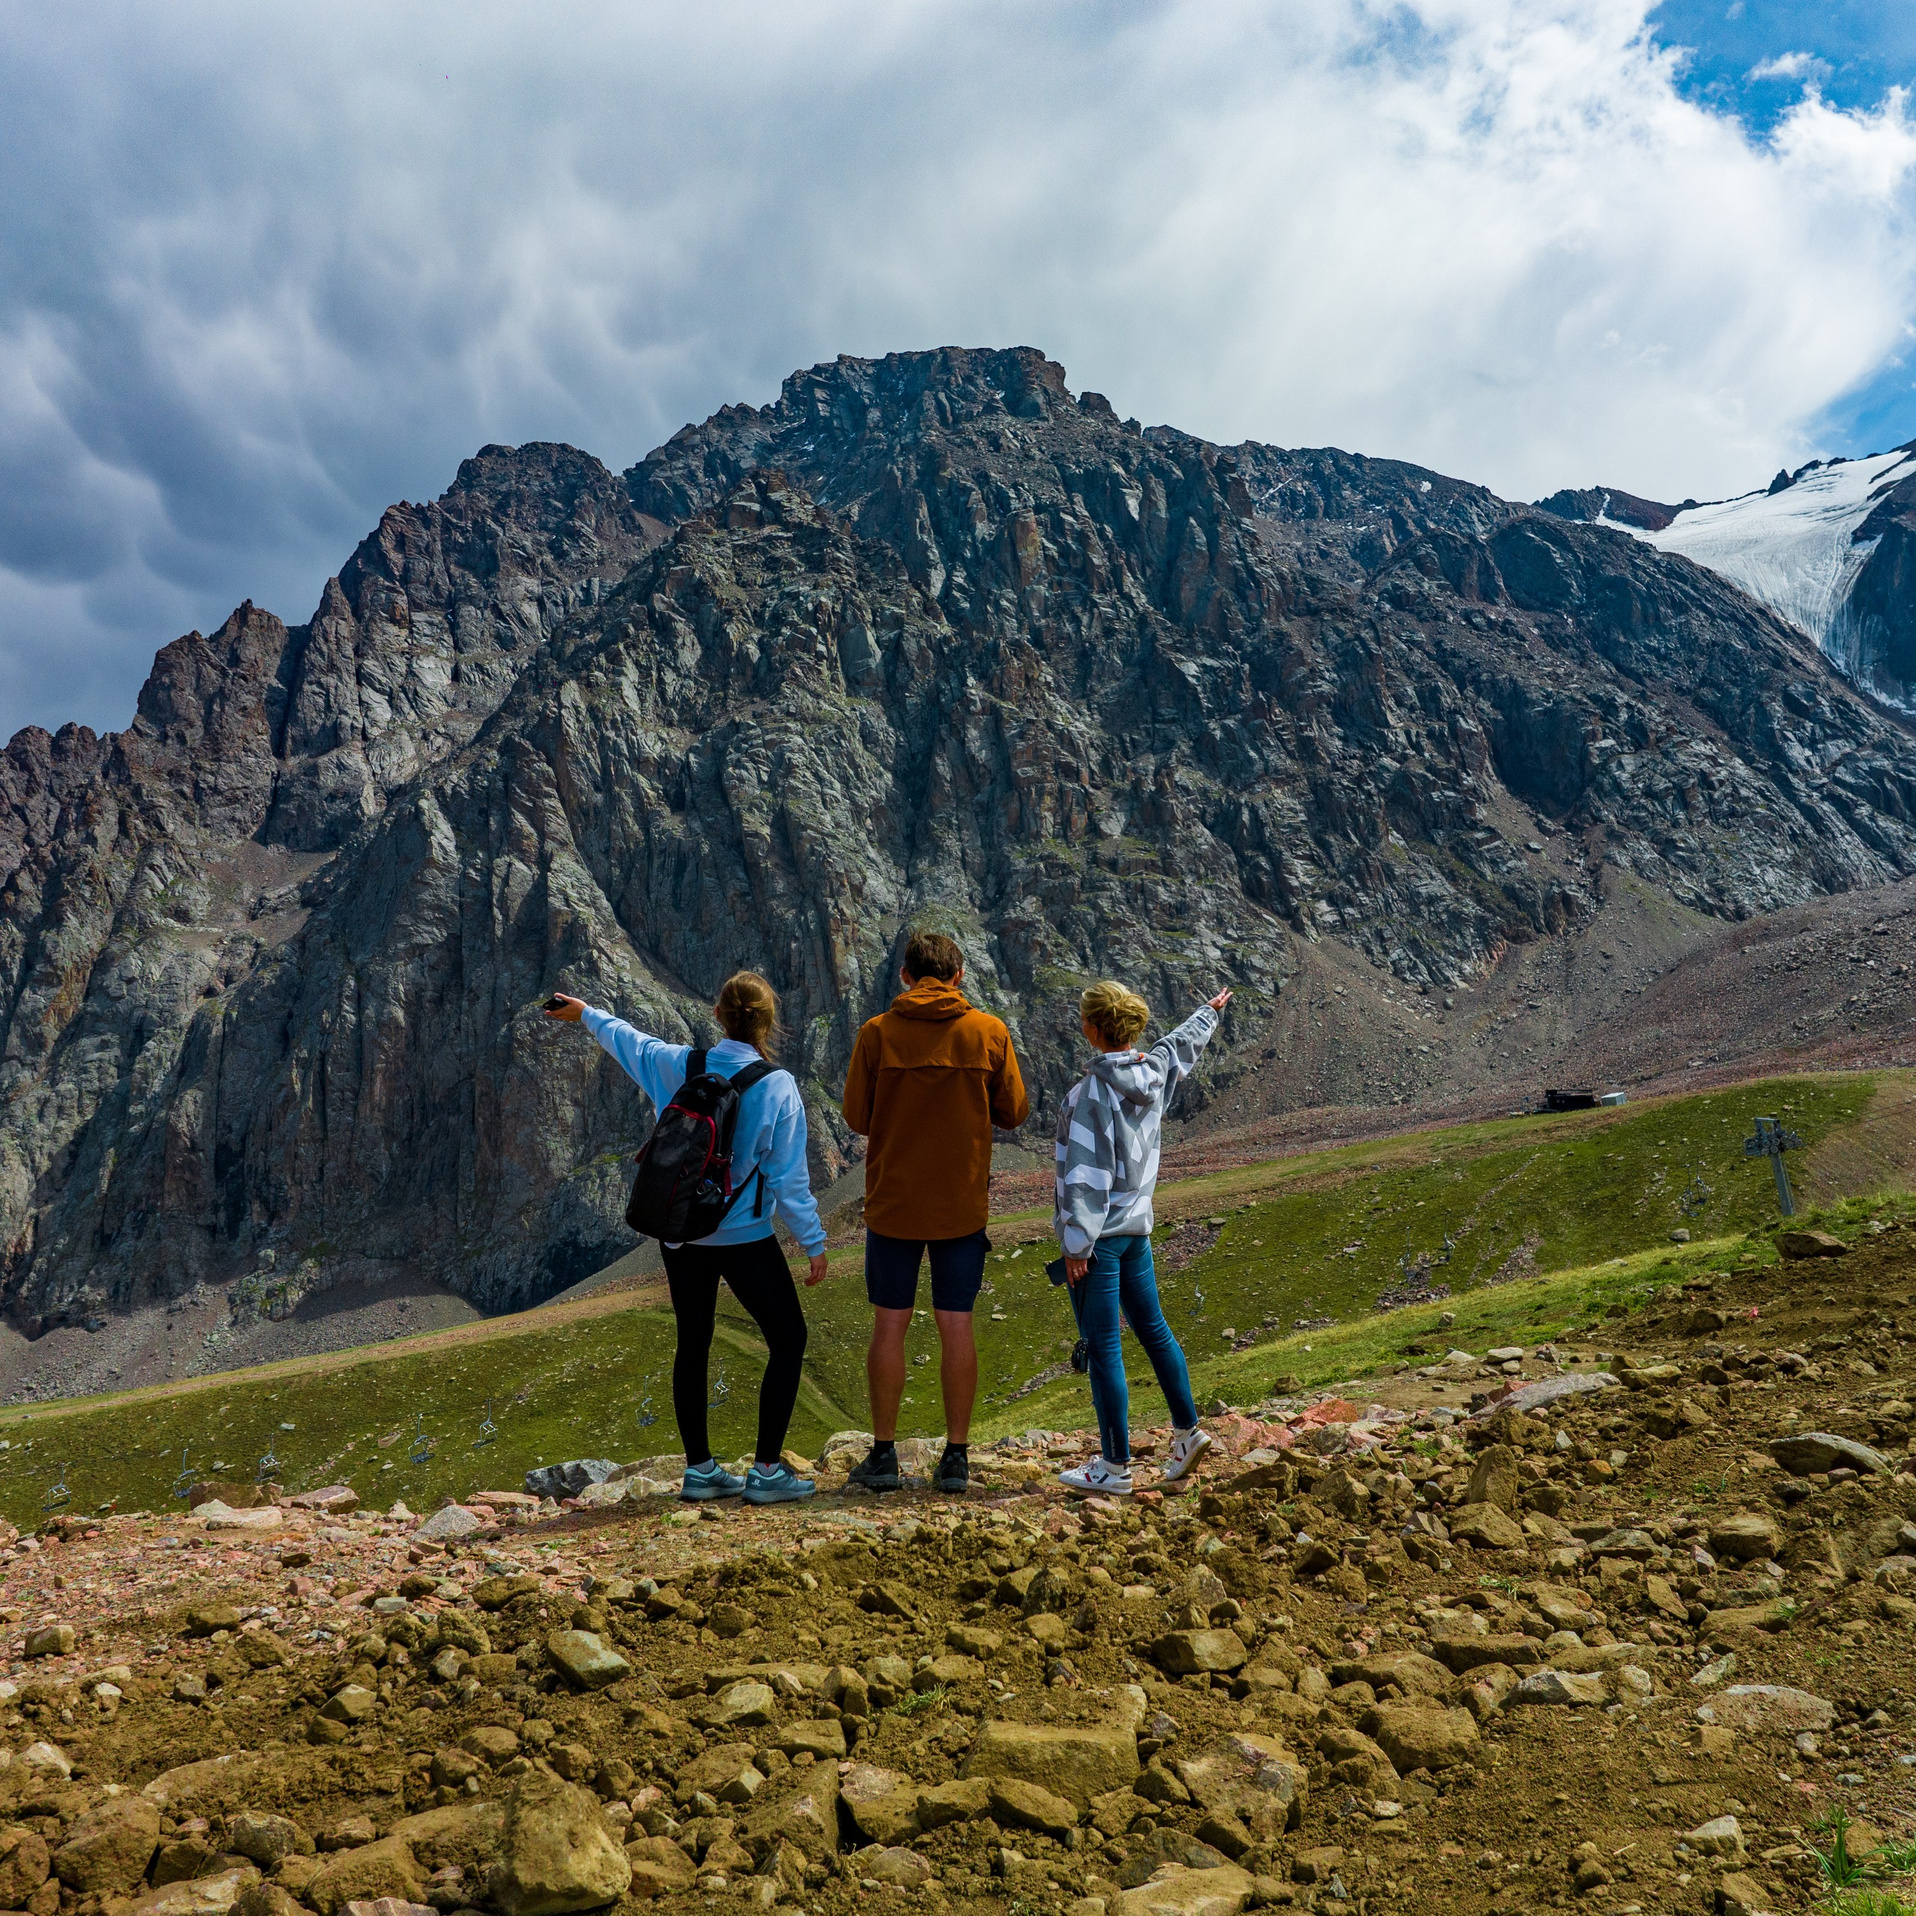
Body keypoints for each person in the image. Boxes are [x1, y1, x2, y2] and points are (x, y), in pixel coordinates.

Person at [544, 973, 828, 1505]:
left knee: (692, 1343)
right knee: (788, 1339)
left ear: (718, 1016)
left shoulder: (679, 1064)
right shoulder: (778, 1085)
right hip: (745, 1237)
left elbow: (628, 1039)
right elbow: (789, 1181)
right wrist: (813, 1243)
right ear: (769, 1023)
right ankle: (767, 1471)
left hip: (681, 1236)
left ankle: (700, 1470)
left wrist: (584, 1012)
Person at [841, 930, 1029, 1494]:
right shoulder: (988, 1032)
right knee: (957, 1325)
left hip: (893, 1205)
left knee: (889, 1327)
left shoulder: (876, 1034)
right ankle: (956, 1458)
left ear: (905, 976)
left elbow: (855, 1117)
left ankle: (883, 1455)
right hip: (961, 1208)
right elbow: (1015, 1112)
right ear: (959, 975)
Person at [1053, 979, 1234, 1495]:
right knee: (1154, 1331)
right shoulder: (1150, 1072)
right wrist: (1207, 1013)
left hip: (1102, 1239)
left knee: (1105, 1345)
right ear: (1131, 1025)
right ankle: (1187, 1432)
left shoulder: (1089, 1094)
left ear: (1091, 1028)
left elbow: (1085, 1178)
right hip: (1138, 1230)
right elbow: (1176, 1049)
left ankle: (1113, 1468)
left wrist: (1076, 1246)